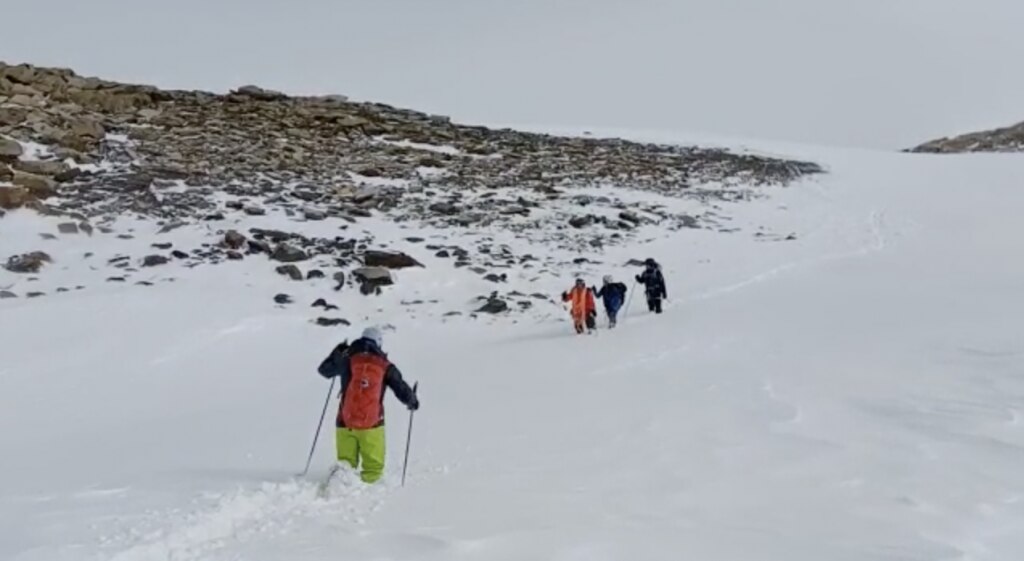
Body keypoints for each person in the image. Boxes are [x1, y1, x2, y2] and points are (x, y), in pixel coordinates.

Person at [317, 326, 419, 483]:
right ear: (379, 343)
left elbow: (324, 371)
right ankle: (367, 498)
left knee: (345, 466)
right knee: (373, 470)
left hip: (345, 421)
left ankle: (339, 491)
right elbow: (400, 387)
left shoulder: (347, 359)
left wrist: (338, 352)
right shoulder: (385, 365)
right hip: (372, 425)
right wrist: (412, 401)